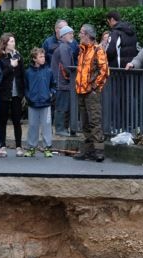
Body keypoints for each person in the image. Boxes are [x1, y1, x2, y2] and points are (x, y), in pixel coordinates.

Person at [75, 24, 108, 162]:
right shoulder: (82, 50)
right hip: (81, 90)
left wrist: (94, 86)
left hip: (90, 92)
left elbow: (104, 70)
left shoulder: (98, 50)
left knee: (94, 121)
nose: (79, 35)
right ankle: (88, 151)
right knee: (85, 122)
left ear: (87, 35)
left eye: (81, 32)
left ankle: (99, 151)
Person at [0, 34, 25, 156]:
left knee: (17, 120)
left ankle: (19, 146)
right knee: (2, 121)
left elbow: (22, 75)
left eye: (14, 41)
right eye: (11, 41)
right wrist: (10, 66)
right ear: (5, 43)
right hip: (4, 93)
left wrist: (23, 93)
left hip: (16, 94)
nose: (13, 43)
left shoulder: (18, 56)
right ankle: (2, 145)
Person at [24, 47, 55, 158]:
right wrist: (29, 97)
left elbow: (53, 84)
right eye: (40, 56)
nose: (43, 58)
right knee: (32, 126)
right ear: (34, 59)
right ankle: (31, 147)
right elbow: (26, 87)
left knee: (46, 125)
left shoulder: (48, 71)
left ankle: (47, 148)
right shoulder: (28, 72)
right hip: (33, 104)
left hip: (45, 103)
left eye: (43, 56)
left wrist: (51, 93)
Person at [50, 25, 75, 137]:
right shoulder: (64, 48)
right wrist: (73, 76)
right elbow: (66, 66)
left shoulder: (64, 47)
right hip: (62, 83)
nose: (72, 35)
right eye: (70, 33)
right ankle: (60, 129)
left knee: (63, 106)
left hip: (62, 82)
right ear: (64, 36)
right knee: (62, 106)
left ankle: (63, 128)